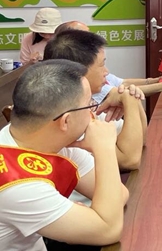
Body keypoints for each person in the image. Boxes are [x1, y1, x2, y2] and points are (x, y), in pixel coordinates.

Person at [0, 60, 128, 250]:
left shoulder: (44, 136)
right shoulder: (15, 184)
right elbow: (108, 230)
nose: (93, 112)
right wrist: (105, 148)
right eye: (89, 105)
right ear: (65, 121)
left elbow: (120, 194)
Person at [44, 30, 147, 171]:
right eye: (101, 65)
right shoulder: (72, 116)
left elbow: (140, 141)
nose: (106, 72)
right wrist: (130, 102)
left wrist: (132, 98)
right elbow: (130, 160)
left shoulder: (89, 103)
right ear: (79, 71)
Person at [56, 20, 162, 101]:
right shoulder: (82, 75)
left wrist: (156, 80)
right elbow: (122, 93)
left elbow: (122, 83)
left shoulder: (95, 65)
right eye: (86, 37)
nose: (92, 39)